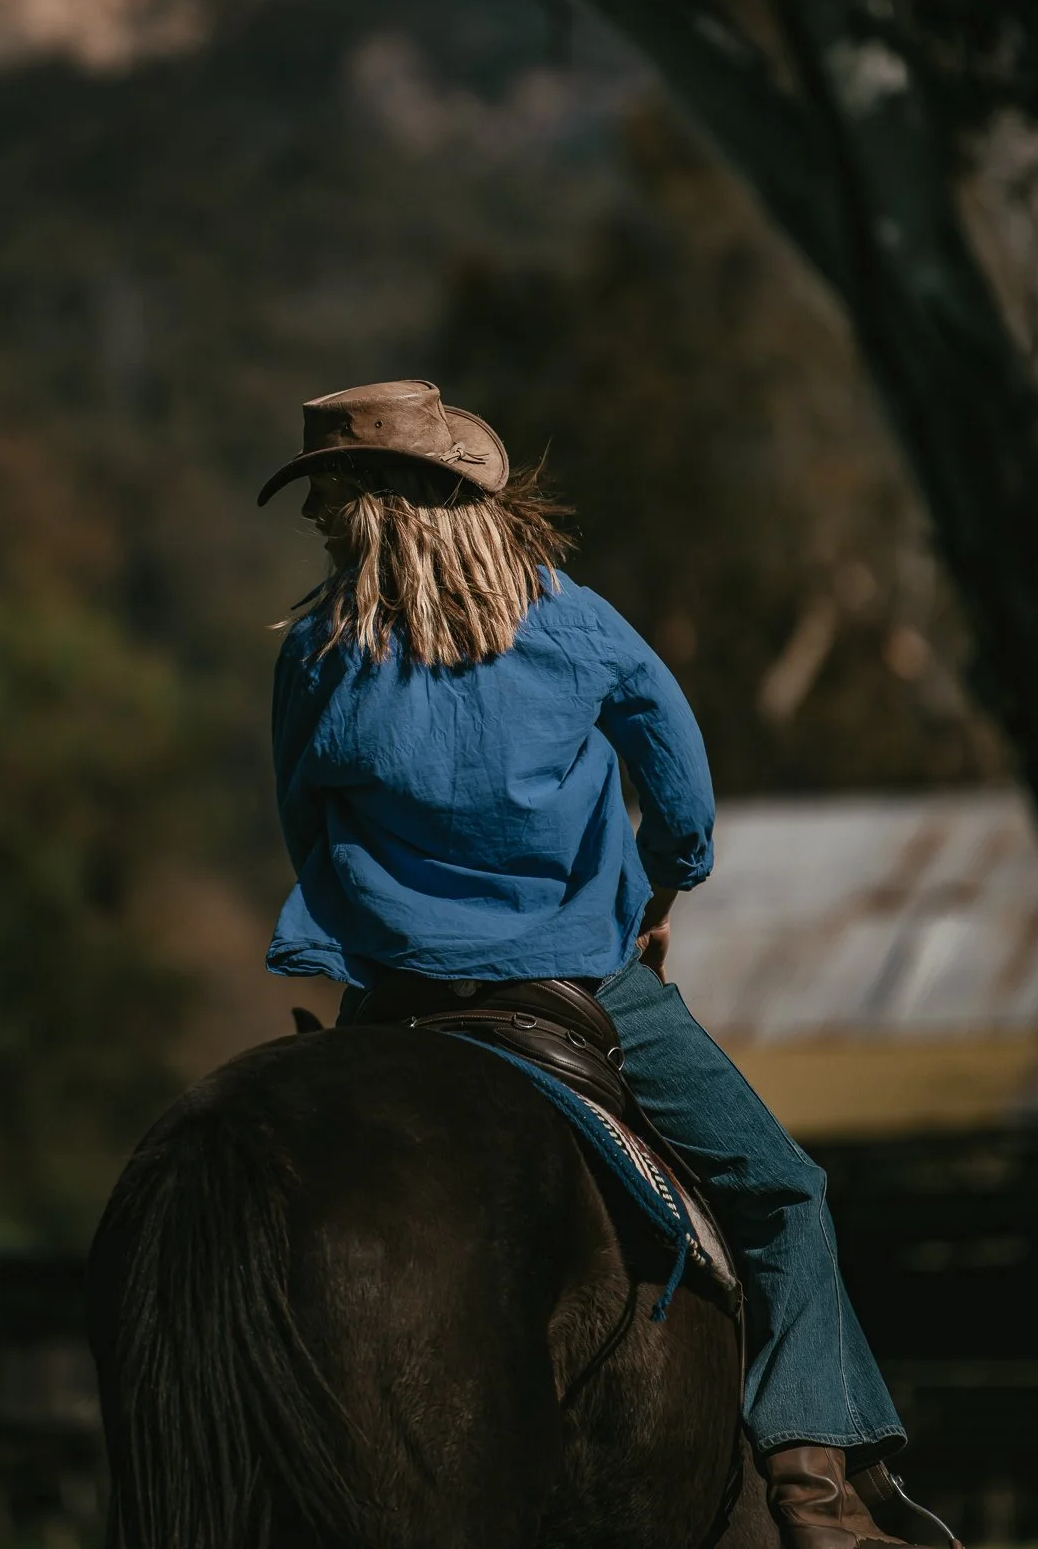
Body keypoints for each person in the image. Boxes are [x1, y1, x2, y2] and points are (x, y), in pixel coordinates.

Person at [258, 379, 958, 1549]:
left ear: (346, 510)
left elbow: (307, 835)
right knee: (785, 1192)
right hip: (582, 982)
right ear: (466, 493)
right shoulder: (572, 620)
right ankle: (814, 1490)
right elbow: (683, 803)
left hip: (398, 995)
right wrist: (657, 895)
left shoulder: (317, 654)